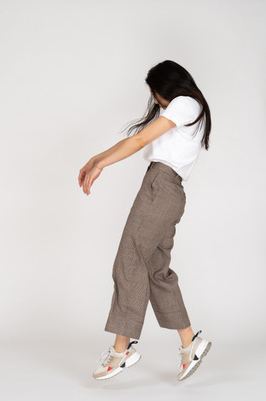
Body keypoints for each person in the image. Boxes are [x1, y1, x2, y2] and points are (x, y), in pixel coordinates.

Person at [78, 60, 212, 382]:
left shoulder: (184, 103)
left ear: (168, 87)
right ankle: (190, 343)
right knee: (155, 271)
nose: (155, 101)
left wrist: (101, 165)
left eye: (155, 94)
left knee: (128, 260)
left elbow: (138, 142)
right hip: (167, 190)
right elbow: (137, 138)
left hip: (160, 188)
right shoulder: (185, 108)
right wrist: (97, 158)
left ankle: (121, 350)